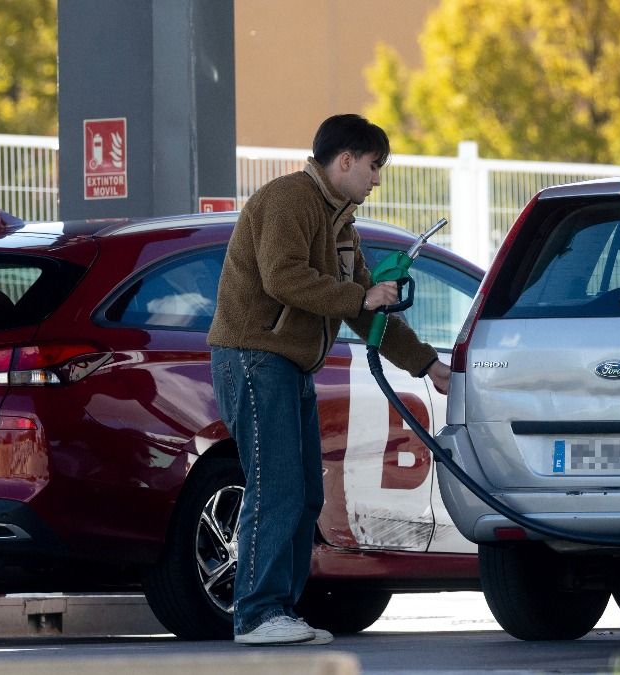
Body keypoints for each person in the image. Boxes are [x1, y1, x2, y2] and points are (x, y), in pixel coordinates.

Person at [207, 114, 451, 646]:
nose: (376, 179)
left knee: (303, 494)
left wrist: (428, 366)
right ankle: (256, 614)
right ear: (344, 160)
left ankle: (279, 613)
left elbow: (366, 310)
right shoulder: (288, 200)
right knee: (276, 488)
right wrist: (359, 297)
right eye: (373, 166)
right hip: (254, 357)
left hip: (286, 365)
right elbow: (284, 276)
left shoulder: (341, 222)